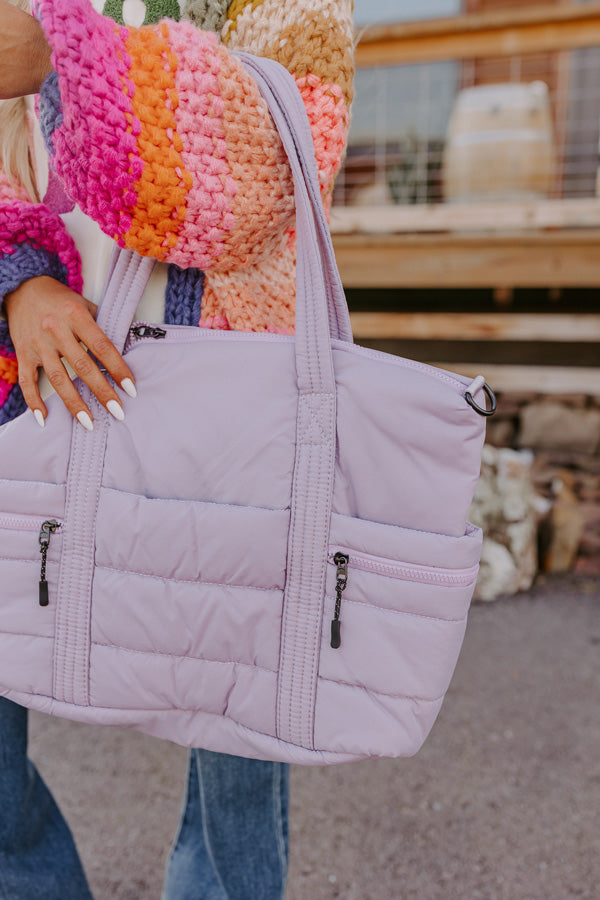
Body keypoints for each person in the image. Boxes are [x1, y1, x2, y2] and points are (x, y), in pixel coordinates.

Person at [0, 0, 354, 897]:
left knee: (235, 732)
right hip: (26, 374)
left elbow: (284, 158)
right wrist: (18, 282)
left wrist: (64, 50)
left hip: (227, 400)